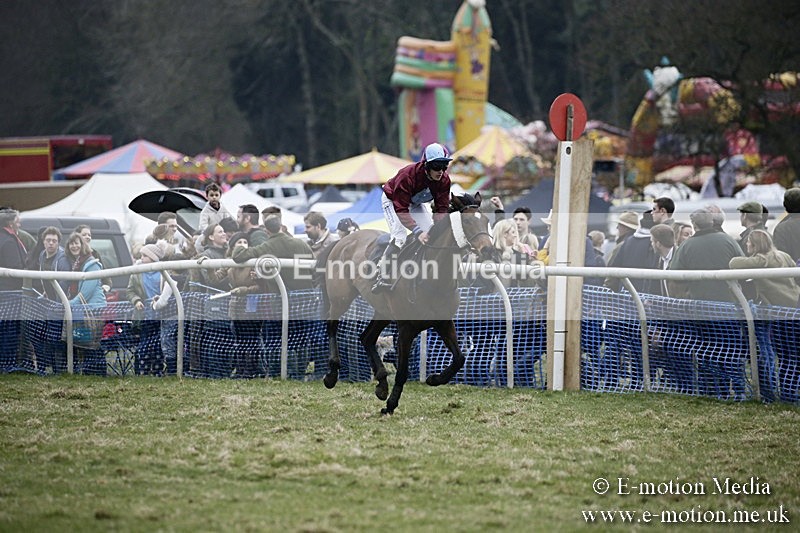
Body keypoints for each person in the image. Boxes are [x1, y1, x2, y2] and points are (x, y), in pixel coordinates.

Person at [372, 142, 453, 293]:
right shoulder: (407, 175)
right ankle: (381, 275)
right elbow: (401, 208)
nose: (441, 171)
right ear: (426, 165)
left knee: (431, 234)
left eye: (444, 166)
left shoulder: (444, 180)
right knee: (400, 237)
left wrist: (438, 229)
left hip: (415, 203)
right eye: (437, 166)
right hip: (393, 201)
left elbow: (442, 208)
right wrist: (417, 231)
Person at [668, 208, 744, 302]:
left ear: (694, 224)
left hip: (699, 302)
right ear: (712, 222)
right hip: (729, 300)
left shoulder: (686, 246)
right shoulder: (729, 240)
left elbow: (675, 277)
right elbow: (743, 266)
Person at [233, 216, 315, 293]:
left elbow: (238, 255)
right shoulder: (301, 244)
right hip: (306, 297)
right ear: (281, 226)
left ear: (266, 230)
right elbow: (315, 267)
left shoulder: (265, 247)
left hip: (279, 299)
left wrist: (239, 244)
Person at [64, 231, 106, 375]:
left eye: (77, 243)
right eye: (71, 243)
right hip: (82, 308)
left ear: (83, 245)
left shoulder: (92, 263)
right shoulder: (76, 264)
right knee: (83, 341)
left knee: (92, 343)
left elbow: (87, 290)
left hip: (93, 308)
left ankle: (98, 373)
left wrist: (70, 304)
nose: (74, 246)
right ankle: (87, 372)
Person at [126, 242, 167, 375]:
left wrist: (161, 300)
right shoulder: (137, 273)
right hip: (144, 315)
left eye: (145, 256)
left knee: (158, 345)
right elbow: (130, 291)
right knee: (144, 344)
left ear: (153, 257)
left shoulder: (164, 273)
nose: (141, 258)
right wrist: (136, 300)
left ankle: (157, 370)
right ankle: (143, 370)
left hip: (160, 315)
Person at [729, 230, 799, 307]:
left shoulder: (761, 260)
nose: (746, 244)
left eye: (748, 242)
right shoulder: (784, 255)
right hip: (796, 298)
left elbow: (733, 263)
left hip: (780, 304)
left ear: (755, 245)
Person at [604, 211, 660, 294]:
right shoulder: (654, 244)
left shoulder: (627, 242)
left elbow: (614, 270)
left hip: (625, 292)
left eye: (620, 225)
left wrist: (608, 291)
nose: (617, 228)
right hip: (645, 294)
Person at [0, 208, 27, 370]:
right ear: (10, 223)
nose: (20, 223)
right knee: (9, 330)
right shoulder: (9, 241)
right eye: (18, 220)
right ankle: (7, 363)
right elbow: (15, 267)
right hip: (10, 293)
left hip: (6, 293)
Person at [491, 219, 535, 288]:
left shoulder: (516, 254)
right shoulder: (491, 253)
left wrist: (523, 252)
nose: (515, 235)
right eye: (513, 232)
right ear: (505, 234)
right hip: (493, 293)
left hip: (512, 293)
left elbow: (524, 277)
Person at [188, 223, 230, 293]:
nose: (224, 234)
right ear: (211, 237)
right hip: (214, 296)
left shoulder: (230, 252)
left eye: (223, 231)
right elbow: (210, 281)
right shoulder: (205, 255)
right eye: (220, 232)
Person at [74, 224, 112, 293]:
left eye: (89, 235)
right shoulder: (72, 253)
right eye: (84, 235)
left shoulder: (94, 253)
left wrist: (106, 286)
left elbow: (104, 273)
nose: (87, 237)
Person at [36, 226, 71, 300]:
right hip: (48, 298)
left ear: (58, 243)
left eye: (54, 241)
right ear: (43, 241)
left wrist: (58, 302)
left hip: (61, 301)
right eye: (48, 240)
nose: (51, 243)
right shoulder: (42, 255)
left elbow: (64, 284)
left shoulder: (63, 259)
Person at [772, 187, 800, 264]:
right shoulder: (782, 228)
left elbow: (780, 258)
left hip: (791, 270)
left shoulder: (781, 228)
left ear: (785, 206)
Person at [649, 224, 675, 297]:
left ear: (658, 244)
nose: (651, 244)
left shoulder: (679, 258)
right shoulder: (658, 259)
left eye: (652, 241)